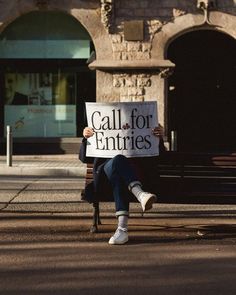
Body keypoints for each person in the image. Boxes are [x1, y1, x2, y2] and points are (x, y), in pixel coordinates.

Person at [79, 125, 165, 245]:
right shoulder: (99, 126)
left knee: (119, 173)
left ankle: (122, 229)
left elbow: (160, 158)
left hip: (133, 177)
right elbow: (84, 158)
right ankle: (139, 194)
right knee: (118, 160)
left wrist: (158, 138)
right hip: (106, 182)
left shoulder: (146, 127)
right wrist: (86, 138)